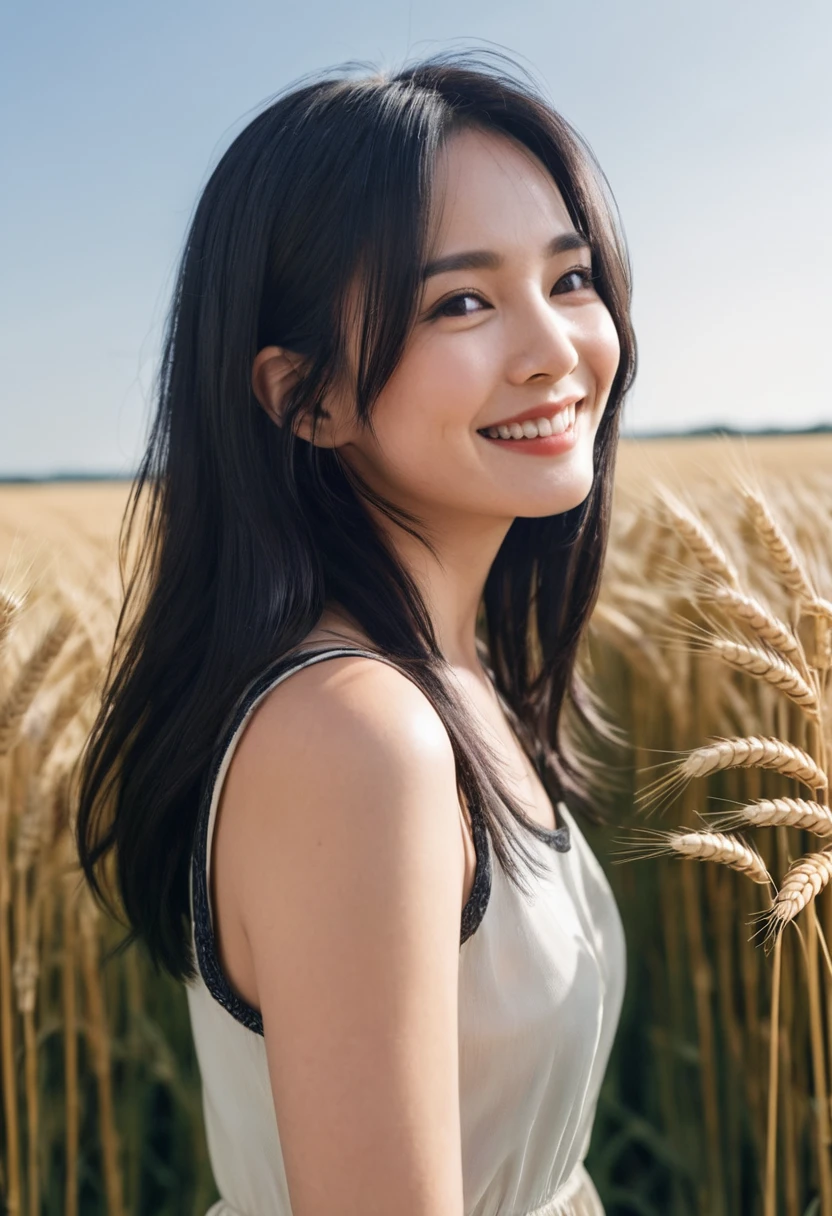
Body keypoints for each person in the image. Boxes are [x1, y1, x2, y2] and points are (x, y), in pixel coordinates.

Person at [77, 50, 635, 1216]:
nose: (554, 349)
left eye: (570, 277)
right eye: (462, 302)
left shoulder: (446, 682)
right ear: (304, 397)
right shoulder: (354, 736)